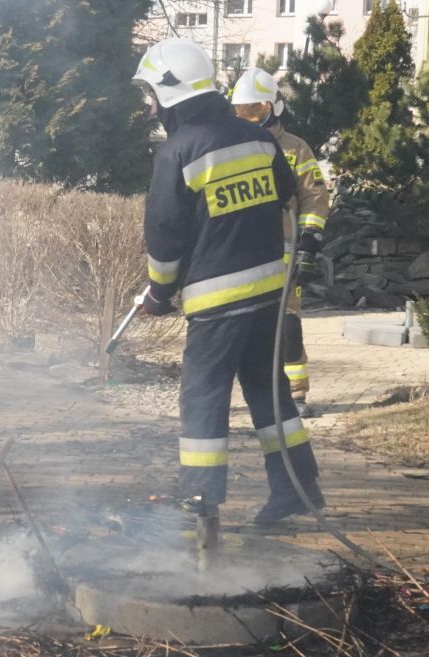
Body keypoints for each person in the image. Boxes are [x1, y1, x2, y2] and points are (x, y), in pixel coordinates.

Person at [132, 39, 325, 530]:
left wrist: (158, 293)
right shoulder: (258, 139)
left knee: (203, 395)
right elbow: (284, 192)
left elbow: (164, 237)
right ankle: (296, 488)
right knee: (269, 392)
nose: (151, 107)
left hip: (217, 301)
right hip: (269, 292)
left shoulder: (176, 152)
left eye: (151, 95)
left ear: (170, 93)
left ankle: (199, 500)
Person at [231, 68, 330, 418]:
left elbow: (315, 197)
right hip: (240, 252)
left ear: (274, 107)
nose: (249, 118)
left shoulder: (295, 148)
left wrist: (309, 241)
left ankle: (296, 394)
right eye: (242, 111)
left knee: (287, 325)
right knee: (237, 326)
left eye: (255, 110)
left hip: (284, 253)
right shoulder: (232, 147)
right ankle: (246, 395)